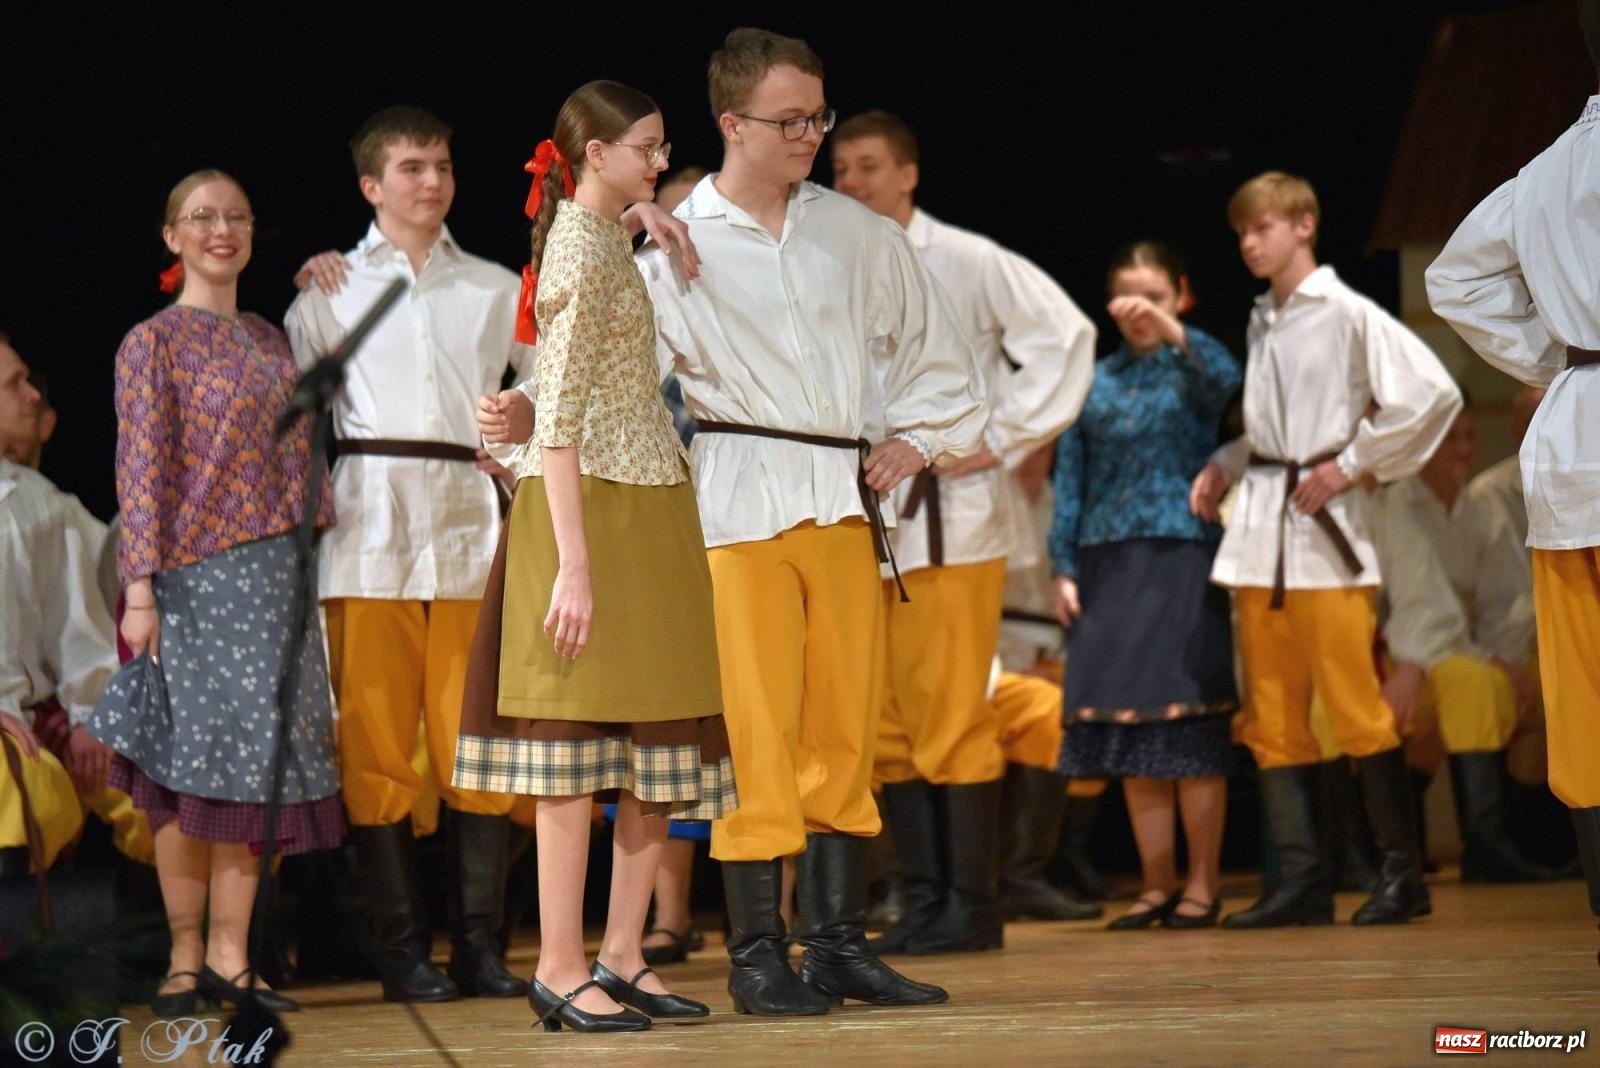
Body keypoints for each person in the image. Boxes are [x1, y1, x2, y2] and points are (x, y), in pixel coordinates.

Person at [488, 28, 986, 1014]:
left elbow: (943, 363)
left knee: (844, 724)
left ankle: (836, 940)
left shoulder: (857, 234)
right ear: (730, 125)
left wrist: (917, 442)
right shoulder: (672, 239)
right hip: (731, 503)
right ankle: (758, 949)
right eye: (788, 119)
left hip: (839, 499)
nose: (809, 134)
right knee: (754, 730)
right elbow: (594, 371)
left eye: (818, 116)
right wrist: (523, 432)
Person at [461, 80, 734, 1034]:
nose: (661, 161)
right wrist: (571, 563)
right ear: (593, 154)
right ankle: (561, 963)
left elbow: (578, 390)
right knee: (573, 749)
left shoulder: (606, 234)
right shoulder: (578, 248)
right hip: (590, 511)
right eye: (647, 149)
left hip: (649, 496)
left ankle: (622, 954)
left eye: (664, 150)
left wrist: (648, 205)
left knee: (652, 742)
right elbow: (562, 417)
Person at [285, 105, 535, 1003]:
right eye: (411, 168)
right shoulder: (327, 292)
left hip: (470, 528)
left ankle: (480, 949)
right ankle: (399, 954)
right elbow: (296, 428)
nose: (431, 182)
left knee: (478, 742)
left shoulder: (497, 285)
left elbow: (543, 385)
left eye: (441, 166)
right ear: (371, 186)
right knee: (377, 748)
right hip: (369, 533)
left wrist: (516, 430)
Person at [831, 111, 1098, 950]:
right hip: (868, 519)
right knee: (885, 722)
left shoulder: (967, 258)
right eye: (840, 170)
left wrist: (1005, 436)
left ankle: (974, 905)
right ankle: (922, 898)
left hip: (953, 523)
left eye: (868, 166)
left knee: (951, 709)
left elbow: (1065, 336)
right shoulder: (834, 260)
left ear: (908, 173)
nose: (853, 183)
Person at [85, 170, 345, 1016]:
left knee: (254, 772)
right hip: (194, 579)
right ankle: (185, 956)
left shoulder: (272, 339)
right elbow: (142, 471)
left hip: (278, 579)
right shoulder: (151, 343)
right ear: (173, 236)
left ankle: (236, 956)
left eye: (235, 217)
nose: (221, 230)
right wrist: (141, 588)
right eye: (203, 218)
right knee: (186, 769)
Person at [1191, 170, 1460, 928]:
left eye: (1265, 227)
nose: (1250, 241)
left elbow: (1430, 392)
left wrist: (1353, 461)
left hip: (1322, 535)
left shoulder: (1344, 311)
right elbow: (1273, 431)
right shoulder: (1264, 318)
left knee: (1352, 706)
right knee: (1271, 711)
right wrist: (1227, 462)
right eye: (1243, 231)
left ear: (1305, 225)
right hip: (1261, 534)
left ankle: (1403, 877)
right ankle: (1301, 882)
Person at [1425, 0, 1600, 964]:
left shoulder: (1546, 171)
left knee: (1585, 694)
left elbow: (1455, 280)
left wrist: (1559, 356)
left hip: (1579, 435)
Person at [1050, 242, 1243, 929]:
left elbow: (1226, 378)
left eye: (1153, 297)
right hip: (1106, 560)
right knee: (1132, 730)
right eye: (1126, 297)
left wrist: (1170, 330)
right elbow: (1069, 476)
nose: (1137, 310)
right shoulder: (1094, 380)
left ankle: (1201, 885)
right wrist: (1062, 566)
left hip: (1180, 554)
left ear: (1180, 295)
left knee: (1187, 724)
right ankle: (1156, 884)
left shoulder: (1190, 369)